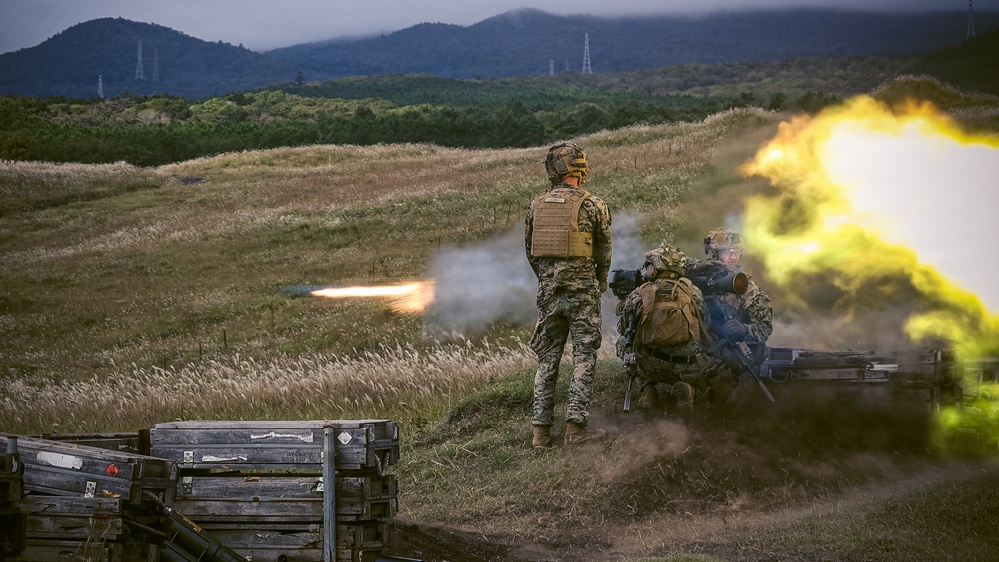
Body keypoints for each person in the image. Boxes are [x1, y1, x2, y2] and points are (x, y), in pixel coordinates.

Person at [525, 142, 612, 448]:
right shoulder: (593, 205)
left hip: (549, 294)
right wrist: (598, 282)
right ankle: (575, 430)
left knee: (547, 361)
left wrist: (549, 280)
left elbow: (531, 252)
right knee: (583, 357)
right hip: (583, 294)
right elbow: (604, 251)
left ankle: (540, 434)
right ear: (579, 168)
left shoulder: (536, 204)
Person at [615, 244, 710, 413]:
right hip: (686, 368)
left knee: (622, 342)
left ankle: (648, 391)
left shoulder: (640, 292)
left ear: (656, 268)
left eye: (649, 266)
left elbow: (623, 328)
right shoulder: (693, 292)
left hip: (650, 365)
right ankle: (689, 389)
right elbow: (706, 326)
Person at [695, 227, 773, 399]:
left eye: (736, 252)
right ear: (714, 254)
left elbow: (765, 328)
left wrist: (745, 329)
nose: (733, 256)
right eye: (726, 252)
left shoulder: (746, 288)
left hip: (730, 348)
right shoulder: (697, 279)